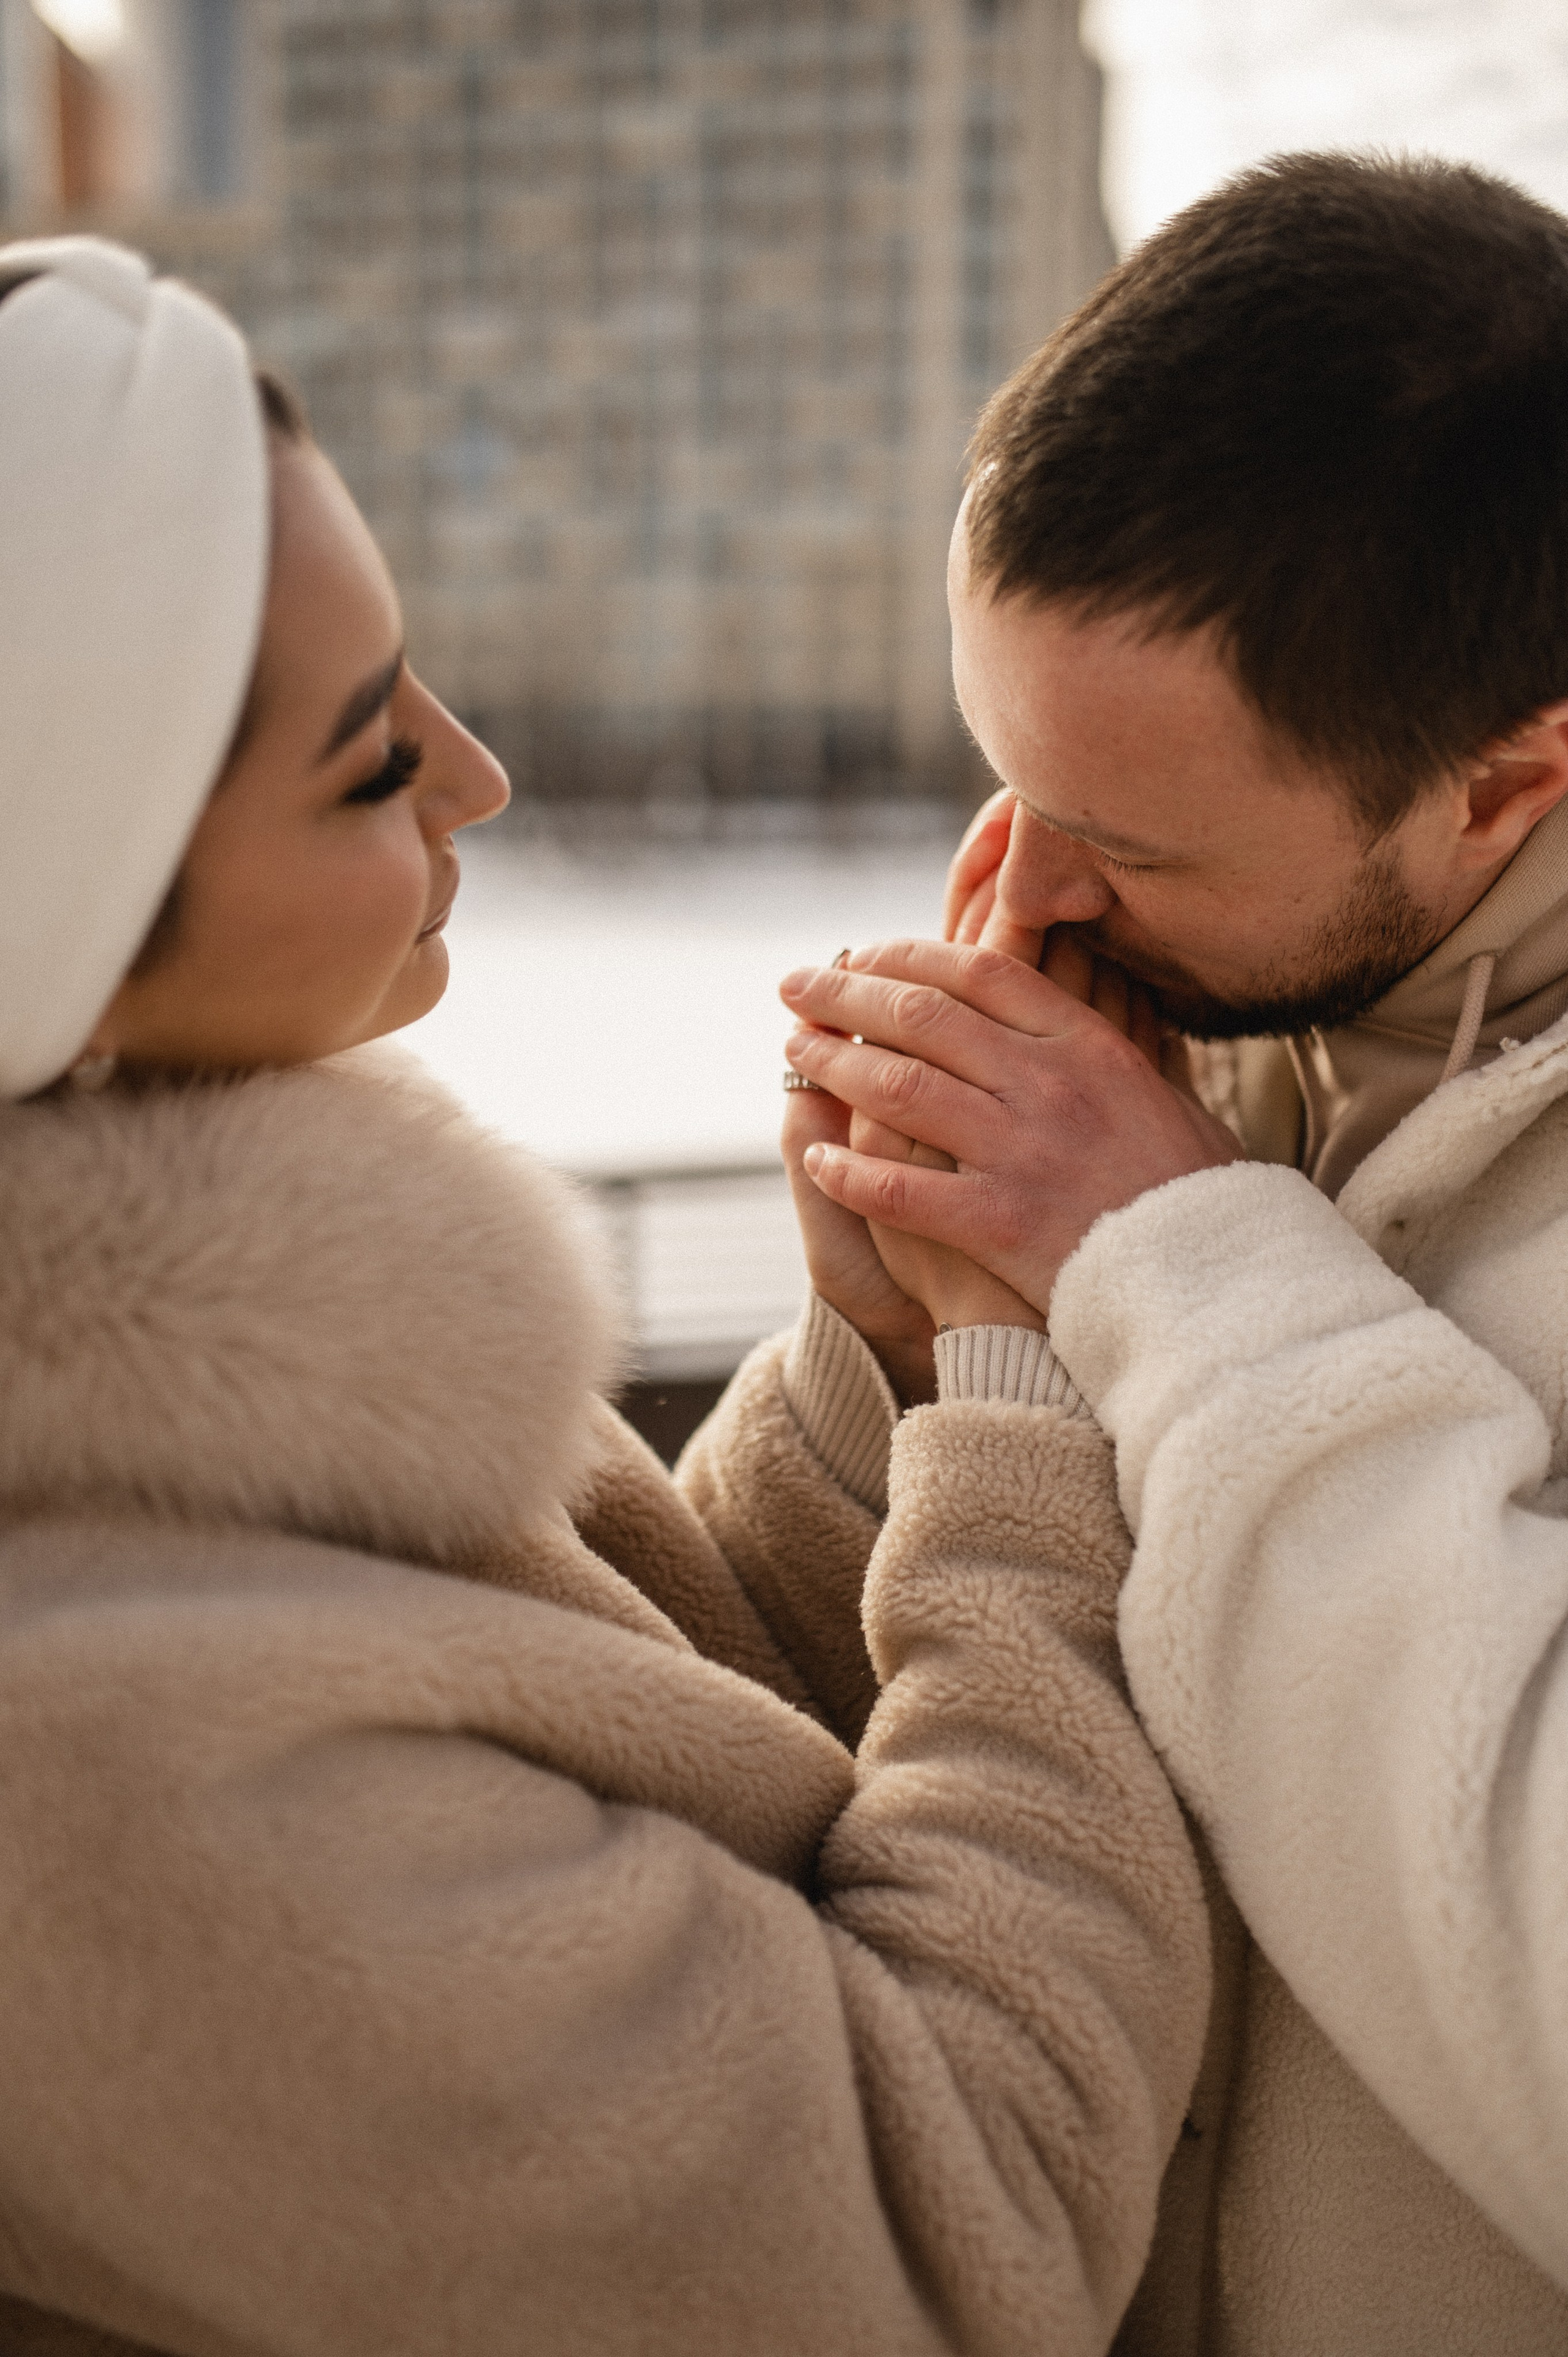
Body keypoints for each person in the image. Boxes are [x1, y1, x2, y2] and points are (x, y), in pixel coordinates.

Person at [0, 235, 1209, 2356]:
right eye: (370, 764)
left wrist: (892, 1373)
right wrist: (1022, 1421)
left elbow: (643, 1760)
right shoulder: (87, 1787)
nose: (477, 778)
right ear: (62, 943)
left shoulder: (180, 1347)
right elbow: (939, 2240)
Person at [780, 153, 1568, 2352]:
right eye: (997, 778)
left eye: (1121, 839)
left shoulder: (1187, 1192)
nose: (1019, 903)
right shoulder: (1228, 1034)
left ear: (1508, 782)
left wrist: (1178, 1264)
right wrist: (922, 1361)